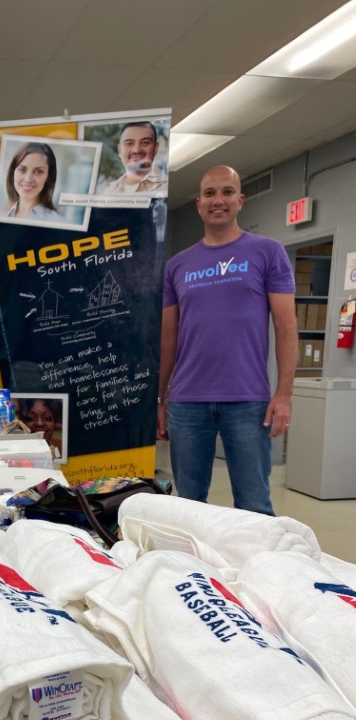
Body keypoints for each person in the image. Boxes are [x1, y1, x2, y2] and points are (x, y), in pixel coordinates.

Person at [157, 164, 298, 515]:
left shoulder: (268, 252)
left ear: (240, 200)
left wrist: (284, 394)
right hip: (188, 402)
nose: (217, 200)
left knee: (254, 508)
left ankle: (257, 571)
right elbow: (168, 339)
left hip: (248, 402)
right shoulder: (177, 266)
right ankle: (195, 571)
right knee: (189, 507)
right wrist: (160, 399)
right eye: (209, 193)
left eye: (226, 192)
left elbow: (286, 327)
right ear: (198, 203)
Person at [5, 142, 65, 222]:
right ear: (13, 172)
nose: (28, 179)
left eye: (38, 172)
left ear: (48, 176)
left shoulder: (59, 222)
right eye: (22, 170)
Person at [103, 121, 167, 196]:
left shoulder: (166, 187)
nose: (136, 150)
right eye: (129, 143)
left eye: (145, 142)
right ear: (120, 150)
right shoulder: (109, 192)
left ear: (156, 148)